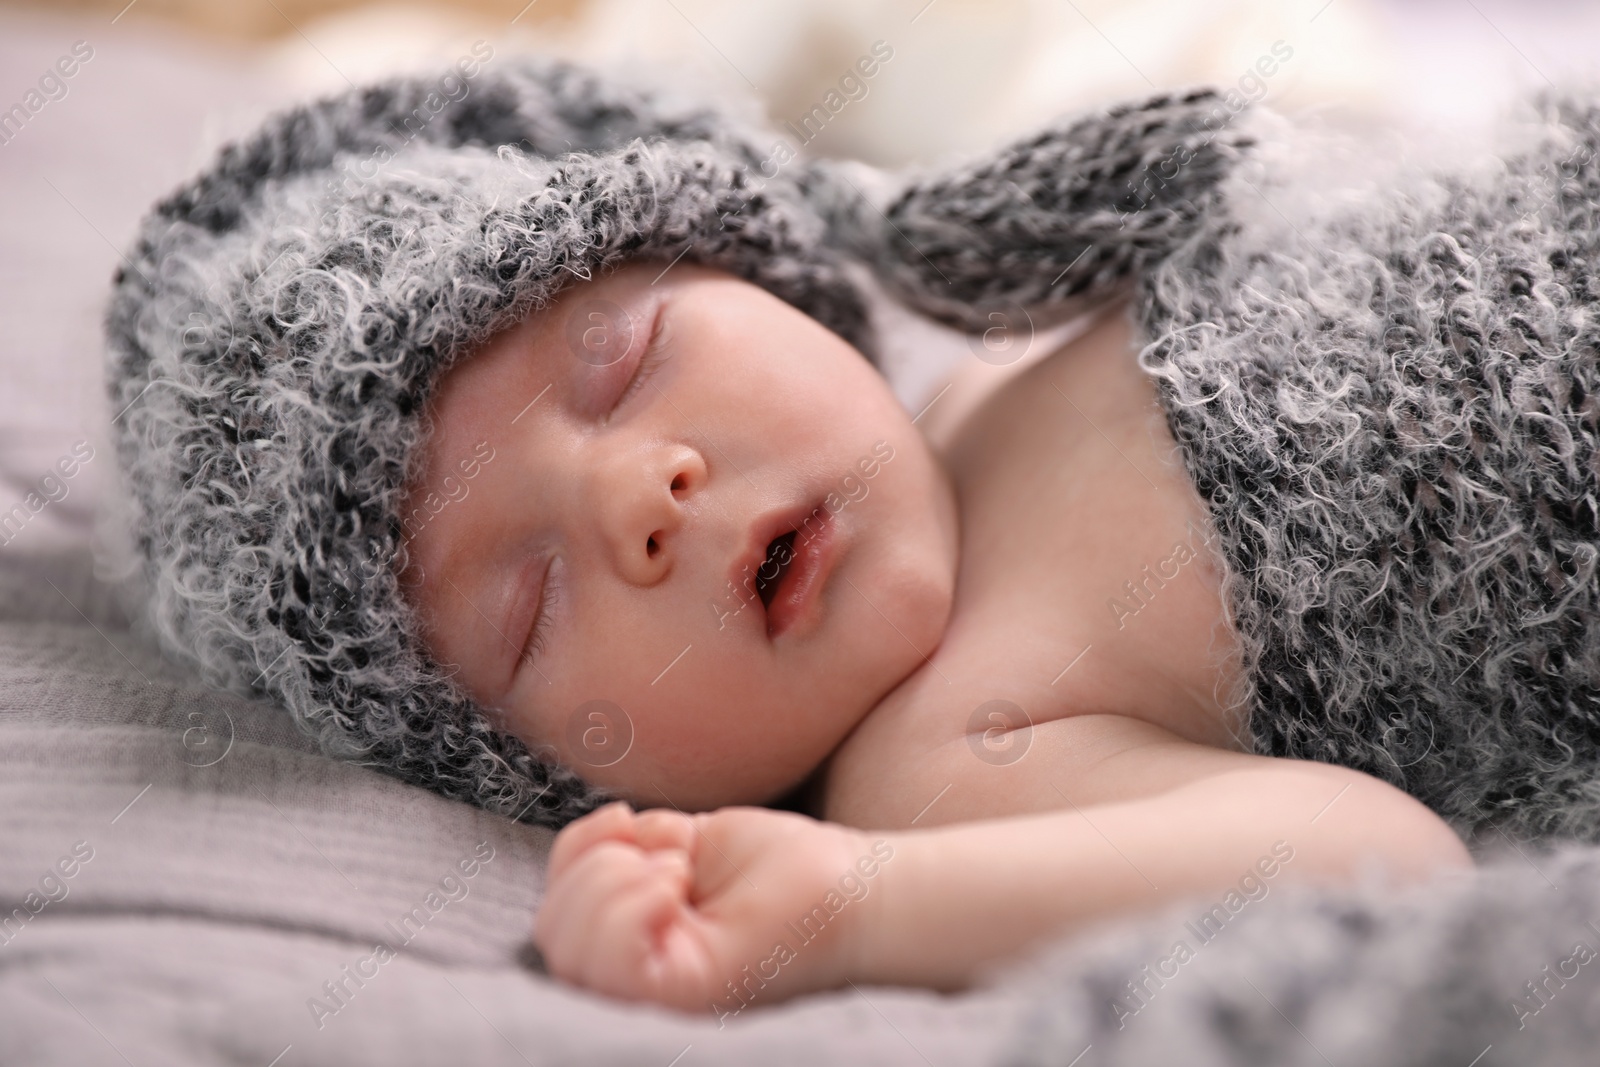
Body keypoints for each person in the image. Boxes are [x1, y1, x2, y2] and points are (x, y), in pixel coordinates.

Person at [107, 55, 1598, 1021]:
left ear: (752, 265)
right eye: (532, 602)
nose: (644, 495)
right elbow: (1377, 861)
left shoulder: (989, 354)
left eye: (620, 363)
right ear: (550, 775)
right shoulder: (940, 764)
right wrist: (852, 915)